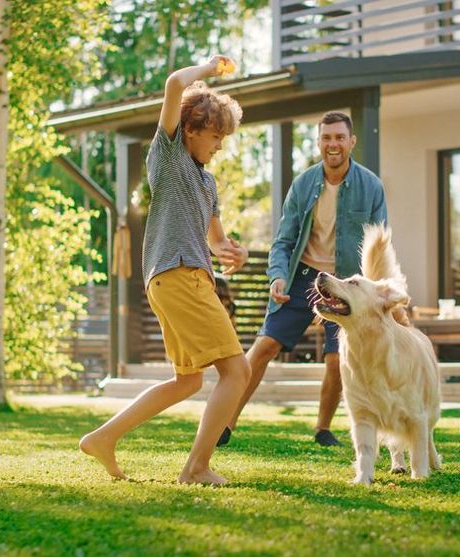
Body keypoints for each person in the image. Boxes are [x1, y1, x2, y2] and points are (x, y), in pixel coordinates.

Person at [79, 55, 251, 485]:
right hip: (179, 274)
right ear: (191, 129)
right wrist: (209, 71)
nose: (218, 145)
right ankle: (196, 468)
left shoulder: (207, 182)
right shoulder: (169, 156)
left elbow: (217, 240)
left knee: (188, 381)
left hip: (180, 277)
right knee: (237, 371)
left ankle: (104, 438)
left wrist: (234, 253)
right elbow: (175, 83)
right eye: (214, 135)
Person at [221, 111, 387, 447]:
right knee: (264, 346)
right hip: (303, 276)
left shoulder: (371, 187)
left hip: (344, 284)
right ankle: (225, 423)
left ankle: (322, 429)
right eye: (327, 138)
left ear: (351, 142)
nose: (333, 144)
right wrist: (278, 277)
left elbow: (379, 248)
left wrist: (375, 293)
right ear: (319, 143)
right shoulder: (303, 184)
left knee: (338, 359)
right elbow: (283, 241)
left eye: (339, 137)